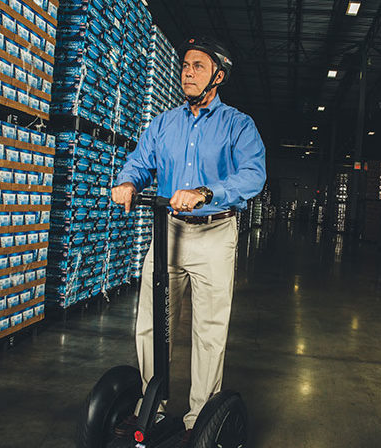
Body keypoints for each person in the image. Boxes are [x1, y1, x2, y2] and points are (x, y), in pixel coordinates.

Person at [111, 36, 266, 439]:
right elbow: (140, 160)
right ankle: (154, 409)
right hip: (170, 233)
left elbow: (253, 175)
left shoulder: (238, 124)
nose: (187, 72)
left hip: (215, 233)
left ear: (218, 75)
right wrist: (127, 180)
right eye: (184, 65)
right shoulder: (164, 123)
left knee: (209, 330)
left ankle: (201, 421)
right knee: (150, 323)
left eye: (197, 66)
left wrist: (206, 192)